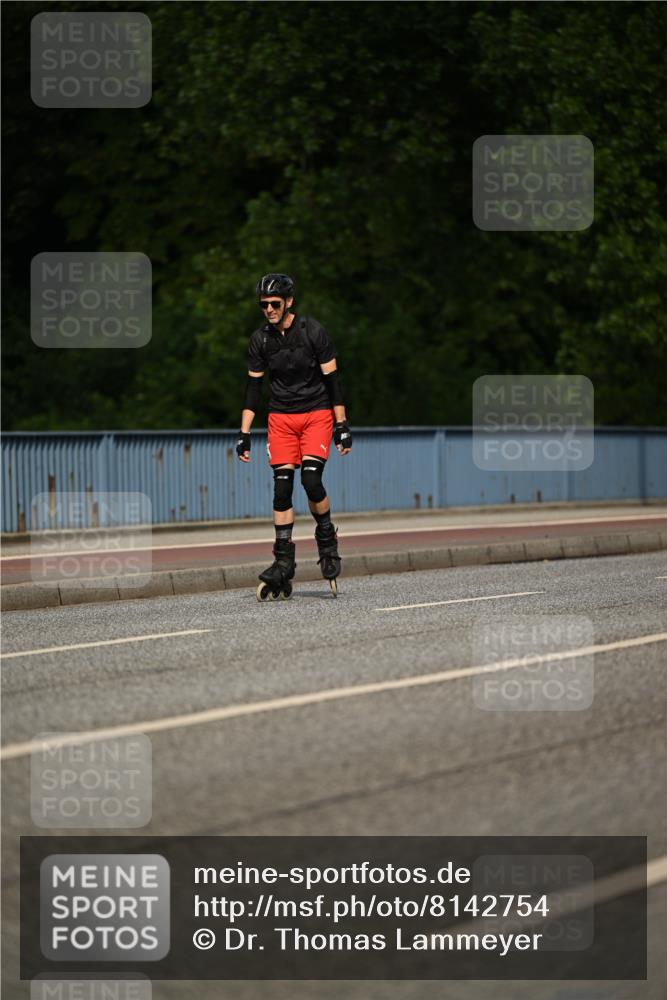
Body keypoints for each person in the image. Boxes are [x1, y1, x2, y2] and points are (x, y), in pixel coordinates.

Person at [236, 273, 352, 599]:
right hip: (281, 419)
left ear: (289, 302)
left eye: (274, 303)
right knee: (282, 489)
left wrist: (341, 425)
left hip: (316, 413)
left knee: (311, 482)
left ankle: (326, 538)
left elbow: (333, 382)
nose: (268, 309)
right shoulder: (260, 340)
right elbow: (253, 388)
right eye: (263, 305)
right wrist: (244, 433)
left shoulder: (312, 332)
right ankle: (284, 562)